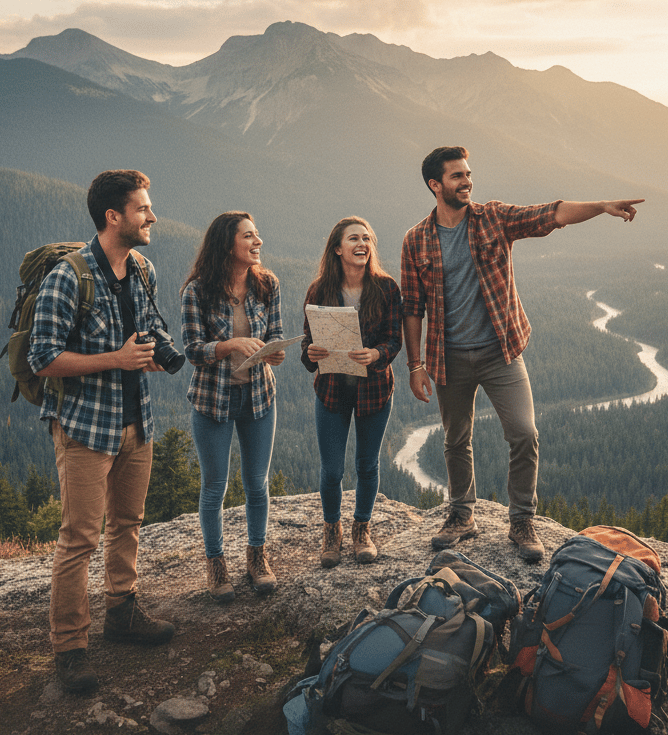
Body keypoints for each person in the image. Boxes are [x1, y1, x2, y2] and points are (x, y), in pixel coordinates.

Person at [401, 146, 644, 562]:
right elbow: (411, 307)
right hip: (449, 358)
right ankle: (461, 515)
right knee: (456, 439)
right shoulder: (417, 240)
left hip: (501, 352)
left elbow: (551, 214)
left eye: (468, 173)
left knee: (524, 433)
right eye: (458, 176)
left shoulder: (493, 217)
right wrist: (415, 365)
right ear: (435, 185)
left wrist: (602, 206)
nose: (468, 181)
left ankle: (522, 520)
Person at [28, 169, 176, 694]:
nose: (152, 216)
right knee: (80, 537)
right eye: (142, 209)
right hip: (85, 428)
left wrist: (151, 359)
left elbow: (145, 337)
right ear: (114, 216)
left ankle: (122, 613)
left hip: (137, 422)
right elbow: (41, 356)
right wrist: (115, 359)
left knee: (129, 523)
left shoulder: (142, 269)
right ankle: (69, 648)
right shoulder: (69, 276)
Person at [181, 212, 285, 602]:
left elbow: (274, 333)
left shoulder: (267, 284)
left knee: (257, 483)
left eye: (257, 234)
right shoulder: (197, 291)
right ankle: (216, 564)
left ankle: (257, 557)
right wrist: (227, 346)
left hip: (258, 395)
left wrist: (273, 352)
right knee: (215, 487)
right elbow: (192, 350)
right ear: (228, 244)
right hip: (214, 400)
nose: (257, 241)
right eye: (249, 236)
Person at [301, 216, 402, 568]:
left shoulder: (387, 288)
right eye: (354, 239)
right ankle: (332, 531)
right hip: (331, 389)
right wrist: (311, 353)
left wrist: (376, 354)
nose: (362, 244)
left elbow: (394, 340)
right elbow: (307, 348)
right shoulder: (320, 291)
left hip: (373, 389)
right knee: (331, 470)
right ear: (337, 249)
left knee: (366, 464)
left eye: (367, 239)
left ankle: (362, 528)